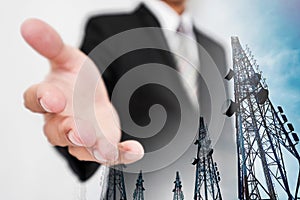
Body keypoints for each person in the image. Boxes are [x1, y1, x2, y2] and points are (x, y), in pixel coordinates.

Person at [22, 0, 227, 197]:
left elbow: (225, 137)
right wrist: (79, 120)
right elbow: (88, 108)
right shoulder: (109, 29)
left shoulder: (215, 50)